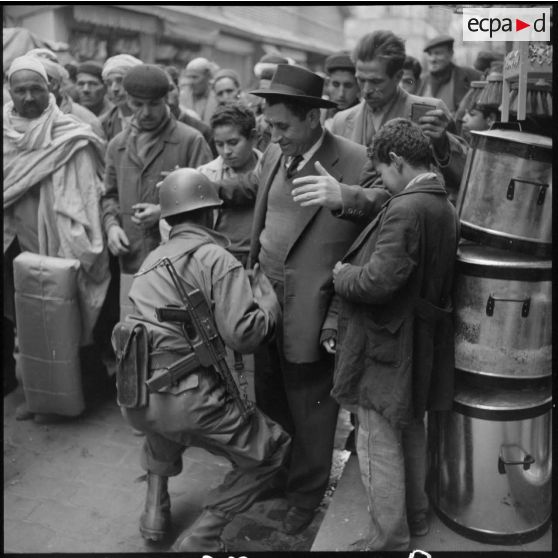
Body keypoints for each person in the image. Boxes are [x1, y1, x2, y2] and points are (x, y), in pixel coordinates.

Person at [118, 168, 290, 552]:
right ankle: (203, 535)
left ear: (168, 217)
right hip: (190, 400)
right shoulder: (217, 257)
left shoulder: (152, 259)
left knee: (163, 430)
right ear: (211, 214)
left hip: (139, 397)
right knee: (273, 450)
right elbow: (243, 336)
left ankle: (154, 512)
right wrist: (268, 304)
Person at [248, 64, 379, 535]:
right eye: (270, 126)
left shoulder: (355, 158)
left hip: (315, 309)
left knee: (313, 407)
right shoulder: (273, 154)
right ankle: (283, 472)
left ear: (311, 119)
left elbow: (392, 200)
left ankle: (305, 496)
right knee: (270, 393)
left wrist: (344, 194)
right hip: (264, 299)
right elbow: (262, 212)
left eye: (283, 126)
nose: (274, 134)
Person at [331, 118, 459, 551]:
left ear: (398, 161)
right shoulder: (442, 202)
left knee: (376, 440)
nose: (383, 183)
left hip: (387, 344)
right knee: (410, 428)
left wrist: (343, 275)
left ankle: (387, 539)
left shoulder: (407, 207)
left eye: (384, 172)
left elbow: (378, 282)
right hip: (417, 340)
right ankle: (417, 516)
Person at [4, 55, 110, 414]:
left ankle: (75, 393)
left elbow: (85, 196)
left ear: (51, 89)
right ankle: (36, 392)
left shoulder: (72, 134)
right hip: (11, 242)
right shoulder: (3, 131)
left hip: (58, 244)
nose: (29, 97)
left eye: (37, 89)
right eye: (21, 91)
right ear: (9, 91)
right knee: (24, 321)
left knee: (66, 318)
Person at [101, 64, 212, 321]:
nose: (145, 112)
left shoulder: (191, 141)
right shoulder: (117, 146)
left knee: (175, 337)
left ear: (166, 100)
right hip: (131, 259)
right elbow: (109, 196)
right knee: (134, 332)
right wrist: (111, 227)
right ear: (127, 101)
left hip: (179, 263)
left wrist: (163, 212)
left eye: (153, 104)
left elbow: (209, 202)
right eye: (137, 104)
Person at [330, 30, 468, 205]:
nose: (365, 90)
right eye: (361, 80)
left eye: (375, 81)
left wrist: (443, 144)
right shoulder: (341, 121)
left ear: (398, 77)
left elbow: (463, 180)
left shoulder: (431, 113)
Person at [197, 103, 260, 266]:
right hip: (218, 261)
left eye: (233, 142)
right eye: (219, 144)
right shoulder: (204, 175)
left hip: (260, 261)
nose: (226, 151)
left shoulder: (271, 170)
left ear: (253, 137)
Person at [28, 50, 105, 138]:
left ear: (54, 84)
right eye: (21, 89)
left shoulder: (86, 121)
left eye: (35, 87)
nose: (28, 96)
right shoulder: (12, 119)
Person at [417, 35, 482, 115]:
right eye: (430, 54)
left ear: (451, 54)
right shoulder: (422, 81)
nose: (432, 59)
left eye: (438, 53)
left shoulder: (470, 76)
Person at [100, 54, 143, 140]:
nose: (114, 89)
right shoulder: (103, 123)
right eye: (109, 83)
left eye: (120, 81)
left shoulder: (152, 118)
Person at [323, 51, 360, 129]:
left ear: (359, 87)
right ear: (327, 84)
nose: (341, 94)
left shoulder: (365, 119)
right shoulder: (319, 114)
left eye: (348, 86)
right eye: (336, 85)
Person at [180, 57, 219, 124]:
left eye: (194, 77)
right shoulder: (181, 98)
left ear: (208, 76)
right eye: (189, 77)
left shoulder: (219, 97)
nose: (190, 82)